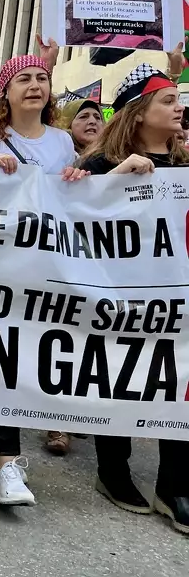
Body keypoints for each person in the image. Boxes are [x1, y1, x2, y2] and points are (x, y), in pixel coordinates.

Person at [0, 54, 89, 506]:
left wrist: (79, 177)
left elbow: (75, 201)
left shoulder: (61, 142)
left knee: (31, 355)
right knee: (1, 354)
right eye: (24, 79)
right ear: (5, 91)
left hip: (46, 268)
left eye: (42, 78)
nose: (35, 85)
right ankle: (6, 461)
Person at [76, 63, 188, 535]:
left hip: (175, 302)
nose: (180, 107)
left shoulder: (185, 167)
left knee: (177, 381)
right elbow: (65, 210)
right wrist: (116, 177)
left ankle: (175, 485)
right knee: (117, 378)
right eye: (168, 100)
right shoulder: (103, 165)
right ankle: (113, 470)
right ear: (138, 114)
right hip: (118, 299)